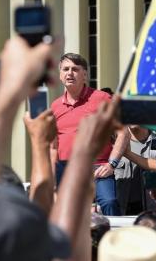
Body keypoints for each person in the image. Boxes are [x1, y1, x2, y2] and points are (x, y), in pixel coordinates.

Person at [51, 53, 129, 216]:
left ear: (85, 74)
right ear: (60, 74)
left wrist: (111, 164)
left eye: (75, 69)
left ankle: (110, 240)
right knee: (65, 211)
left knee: (109, 201)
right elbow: (53, 145)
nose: (70, 73)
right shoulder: (55, 106)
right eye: (65, 69)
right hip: (66, 168)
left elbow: (123, 133)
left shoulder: (102, 98)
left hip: (99, 167)